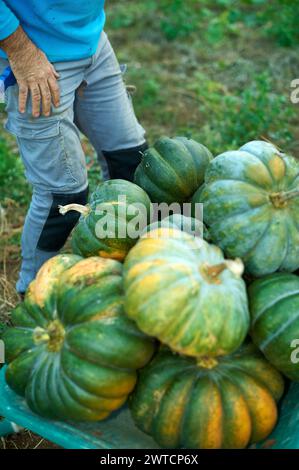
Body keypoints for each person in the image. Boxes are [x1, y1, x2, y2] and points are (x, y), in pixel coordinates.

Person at [0, 1, 147, 295]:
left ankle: (117, 262)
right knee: (63, 196)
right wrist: (21, 52)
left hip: (90, 41)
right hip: (35, 55)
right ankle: (34, 292)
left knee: (132, 164)